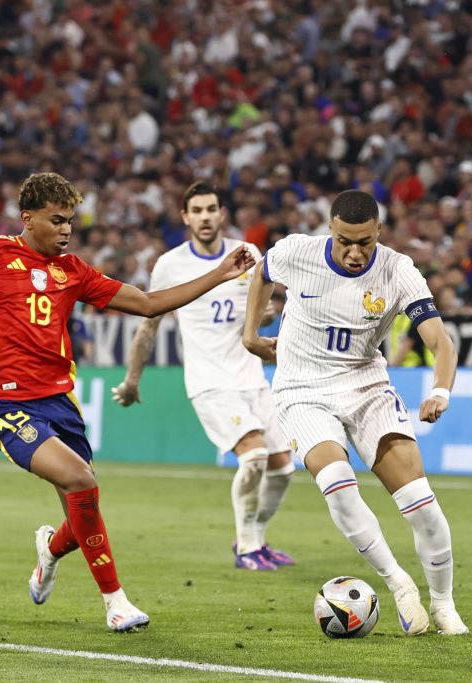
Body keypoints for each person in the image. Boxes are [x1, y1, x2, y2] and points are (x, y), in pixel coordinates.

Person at [0, 172, 254, 632]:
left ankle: (50, 550)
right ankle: (116, 603)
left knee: (81, 506)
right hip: (7, 405)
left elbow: (148, 304)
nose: (67, 230)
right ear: (28, 219)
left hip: (61, 404)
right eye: (57, 220)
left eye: (71, 221)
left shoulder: (73, 271)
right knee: (81, 481)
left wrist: (219, 274)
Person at [242, 189, 468, 636]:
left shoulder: (398, 270)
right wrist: (251, 334)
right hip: (302, 389)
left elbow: (441, 341)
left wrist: (441, 390)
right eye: (344, 239)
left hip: (366, 386)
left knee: (421, 506)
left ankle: (443, 604)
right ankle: (399, 583)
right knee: (338, 485)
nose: (353, 250)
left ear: (379, 232)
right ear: (330, 227)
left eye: (363, 241)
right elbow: (262, 274)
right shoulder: (296, 252)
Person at [112, 181, 296, 571]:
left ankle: (255, 540)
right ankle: (247, 548)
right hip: (209, 382)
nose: (205, 216)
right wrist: (132, 381)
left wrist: (260, 315)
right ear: (185, 217)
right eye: (197, 210)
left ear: (222, 212)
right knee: (256, 455)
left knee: (283, 467)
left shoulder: (246, 254)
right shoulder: (170, 265)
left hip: (252, 377)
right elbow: (149, 326)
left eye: (211, 208)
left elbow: (263, 308)